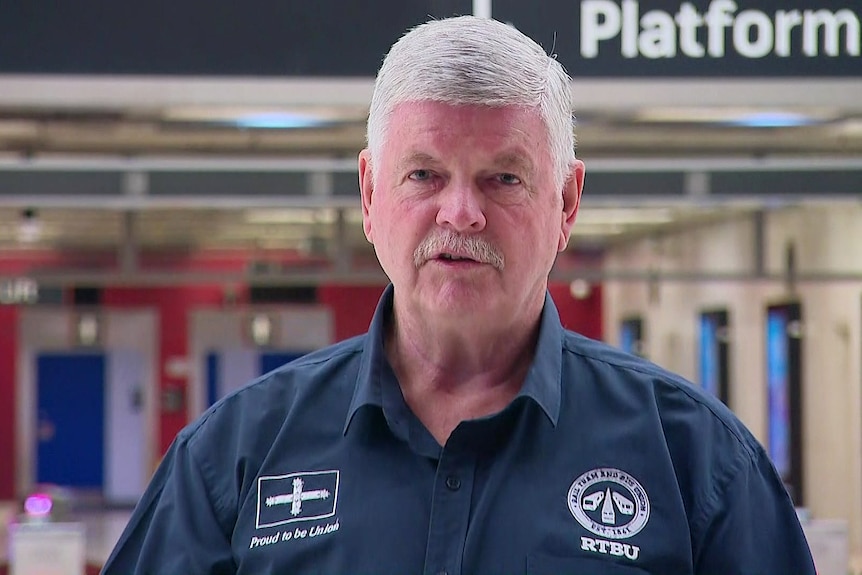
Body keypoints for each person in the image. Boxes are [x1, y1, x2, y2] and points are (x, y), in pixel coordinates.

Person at [102, 15, 816, 575]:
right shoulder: (232, 460)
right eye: (424, 175)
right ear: (370, 193)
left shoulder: (698, 465)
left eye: (504, 178)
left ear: (567, 202)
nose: (461, 213)